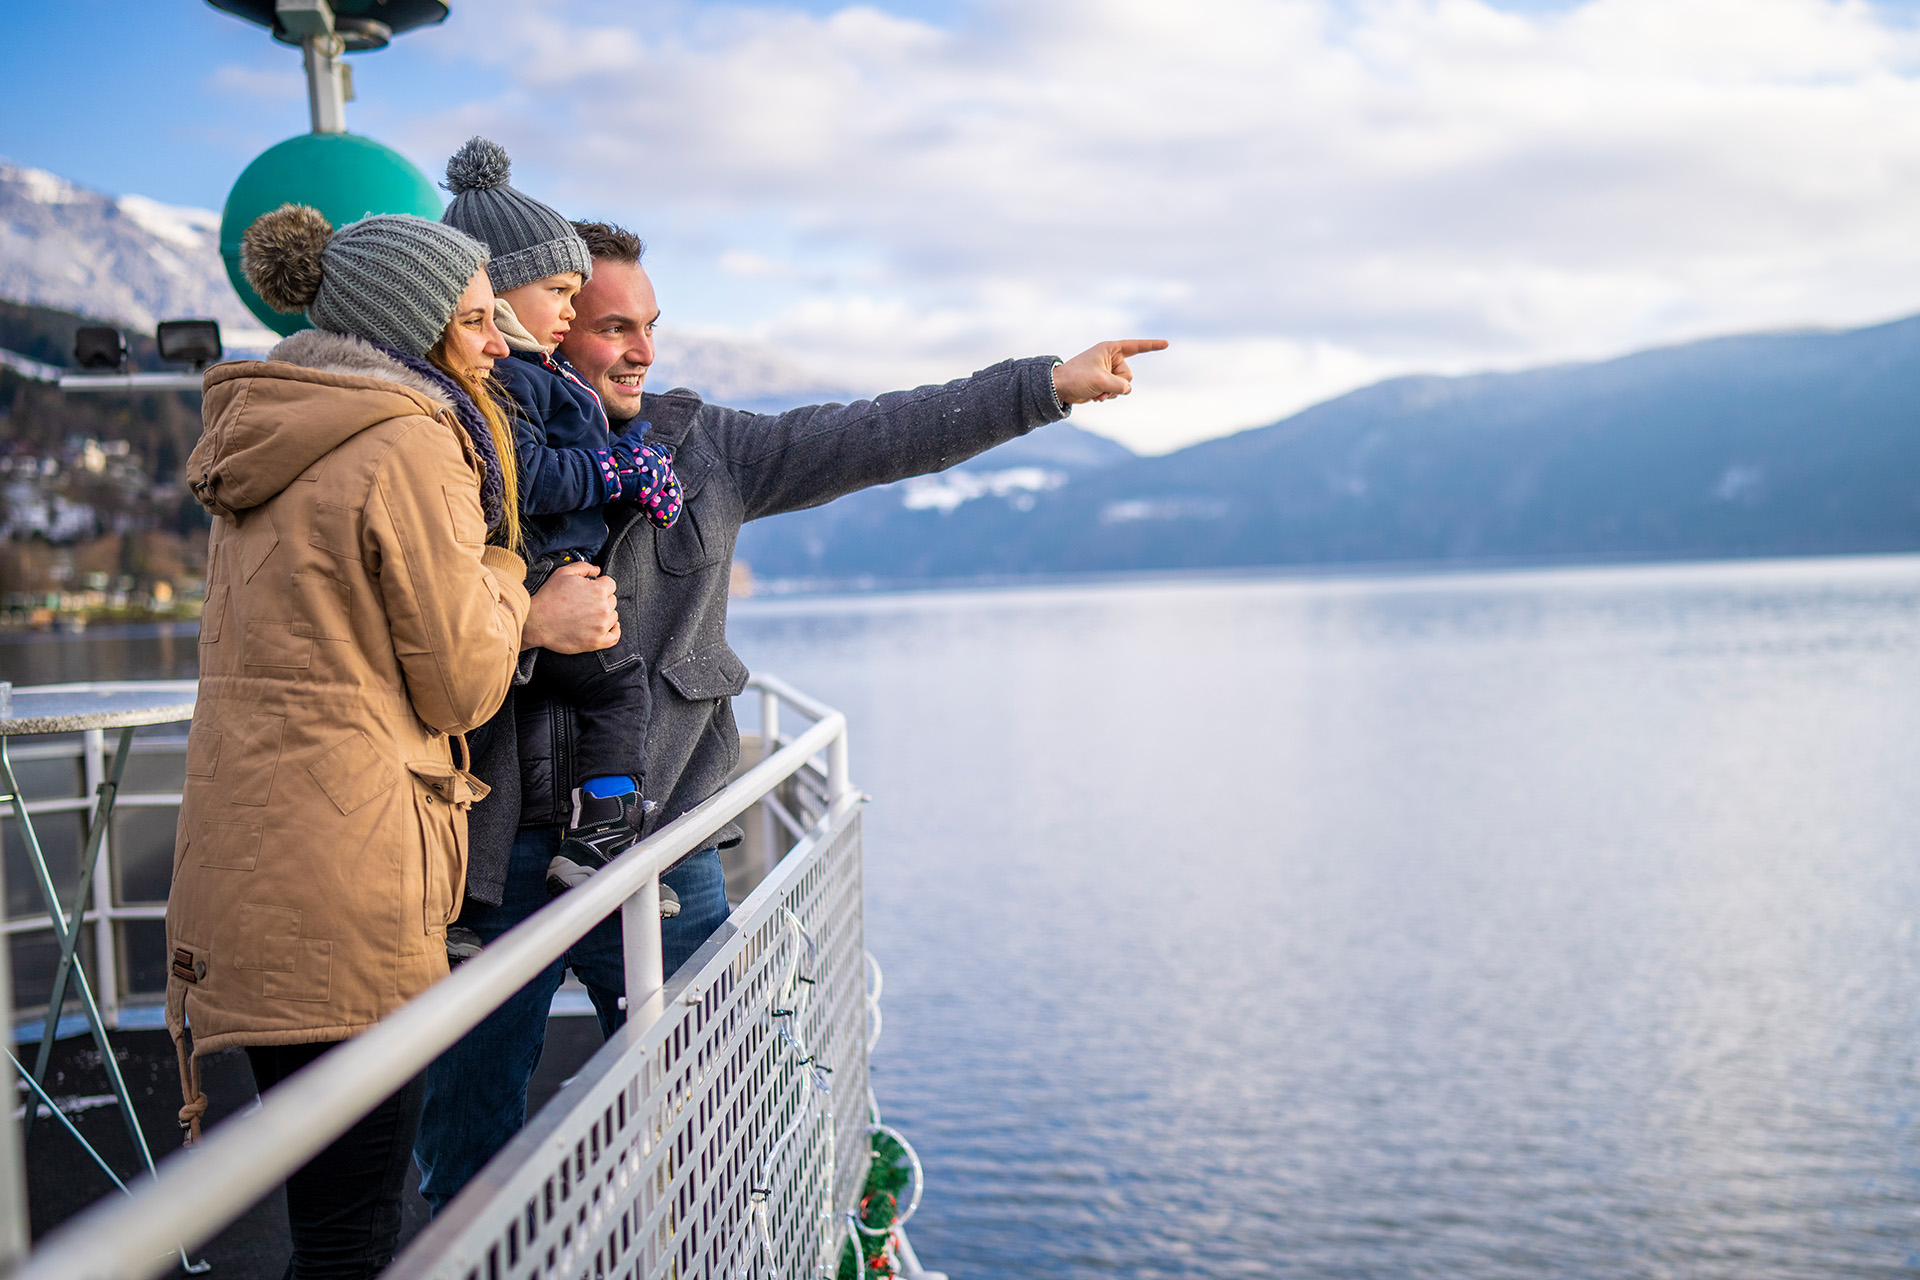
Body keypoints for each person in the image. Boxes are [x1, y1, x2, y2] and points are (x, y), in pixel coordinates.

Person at [412, 217, 1166, 1213]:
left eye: (651, 324)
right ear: (535, 326)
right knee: (463, 1137)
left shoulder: (706, 448)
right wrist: (524, 625)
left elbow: (879, 432)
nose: (643, 349)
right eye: (610, 327)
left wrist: (1045, 387)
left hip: (659, 840)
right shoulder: (452, 436)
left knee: (722, 1114)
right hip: (486, 843)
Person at [163, 203, 615, 1279]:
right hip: (351, 866)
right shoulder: (409, 433)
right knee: (355, 1228)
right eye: (472, 320)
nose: (498, 340)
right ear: (412, 330)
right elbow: (460, 681)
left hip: (250, 856)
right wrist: (526, 595)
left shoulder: (269, 430)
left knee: (328, 1213)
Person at [438, 138, 685, 904]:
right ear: (500, 295)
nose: (572, 312)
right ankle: (605, 827)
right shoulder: (507, 379)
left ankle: (473, 898)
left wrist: (636, 469)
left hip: (539, 577)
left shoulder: (530, 375)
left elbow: (576, 450)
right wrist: (619, 472)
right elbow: (529, 478)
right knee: (616, 684)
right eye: (565, 296)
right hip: (535, 576)